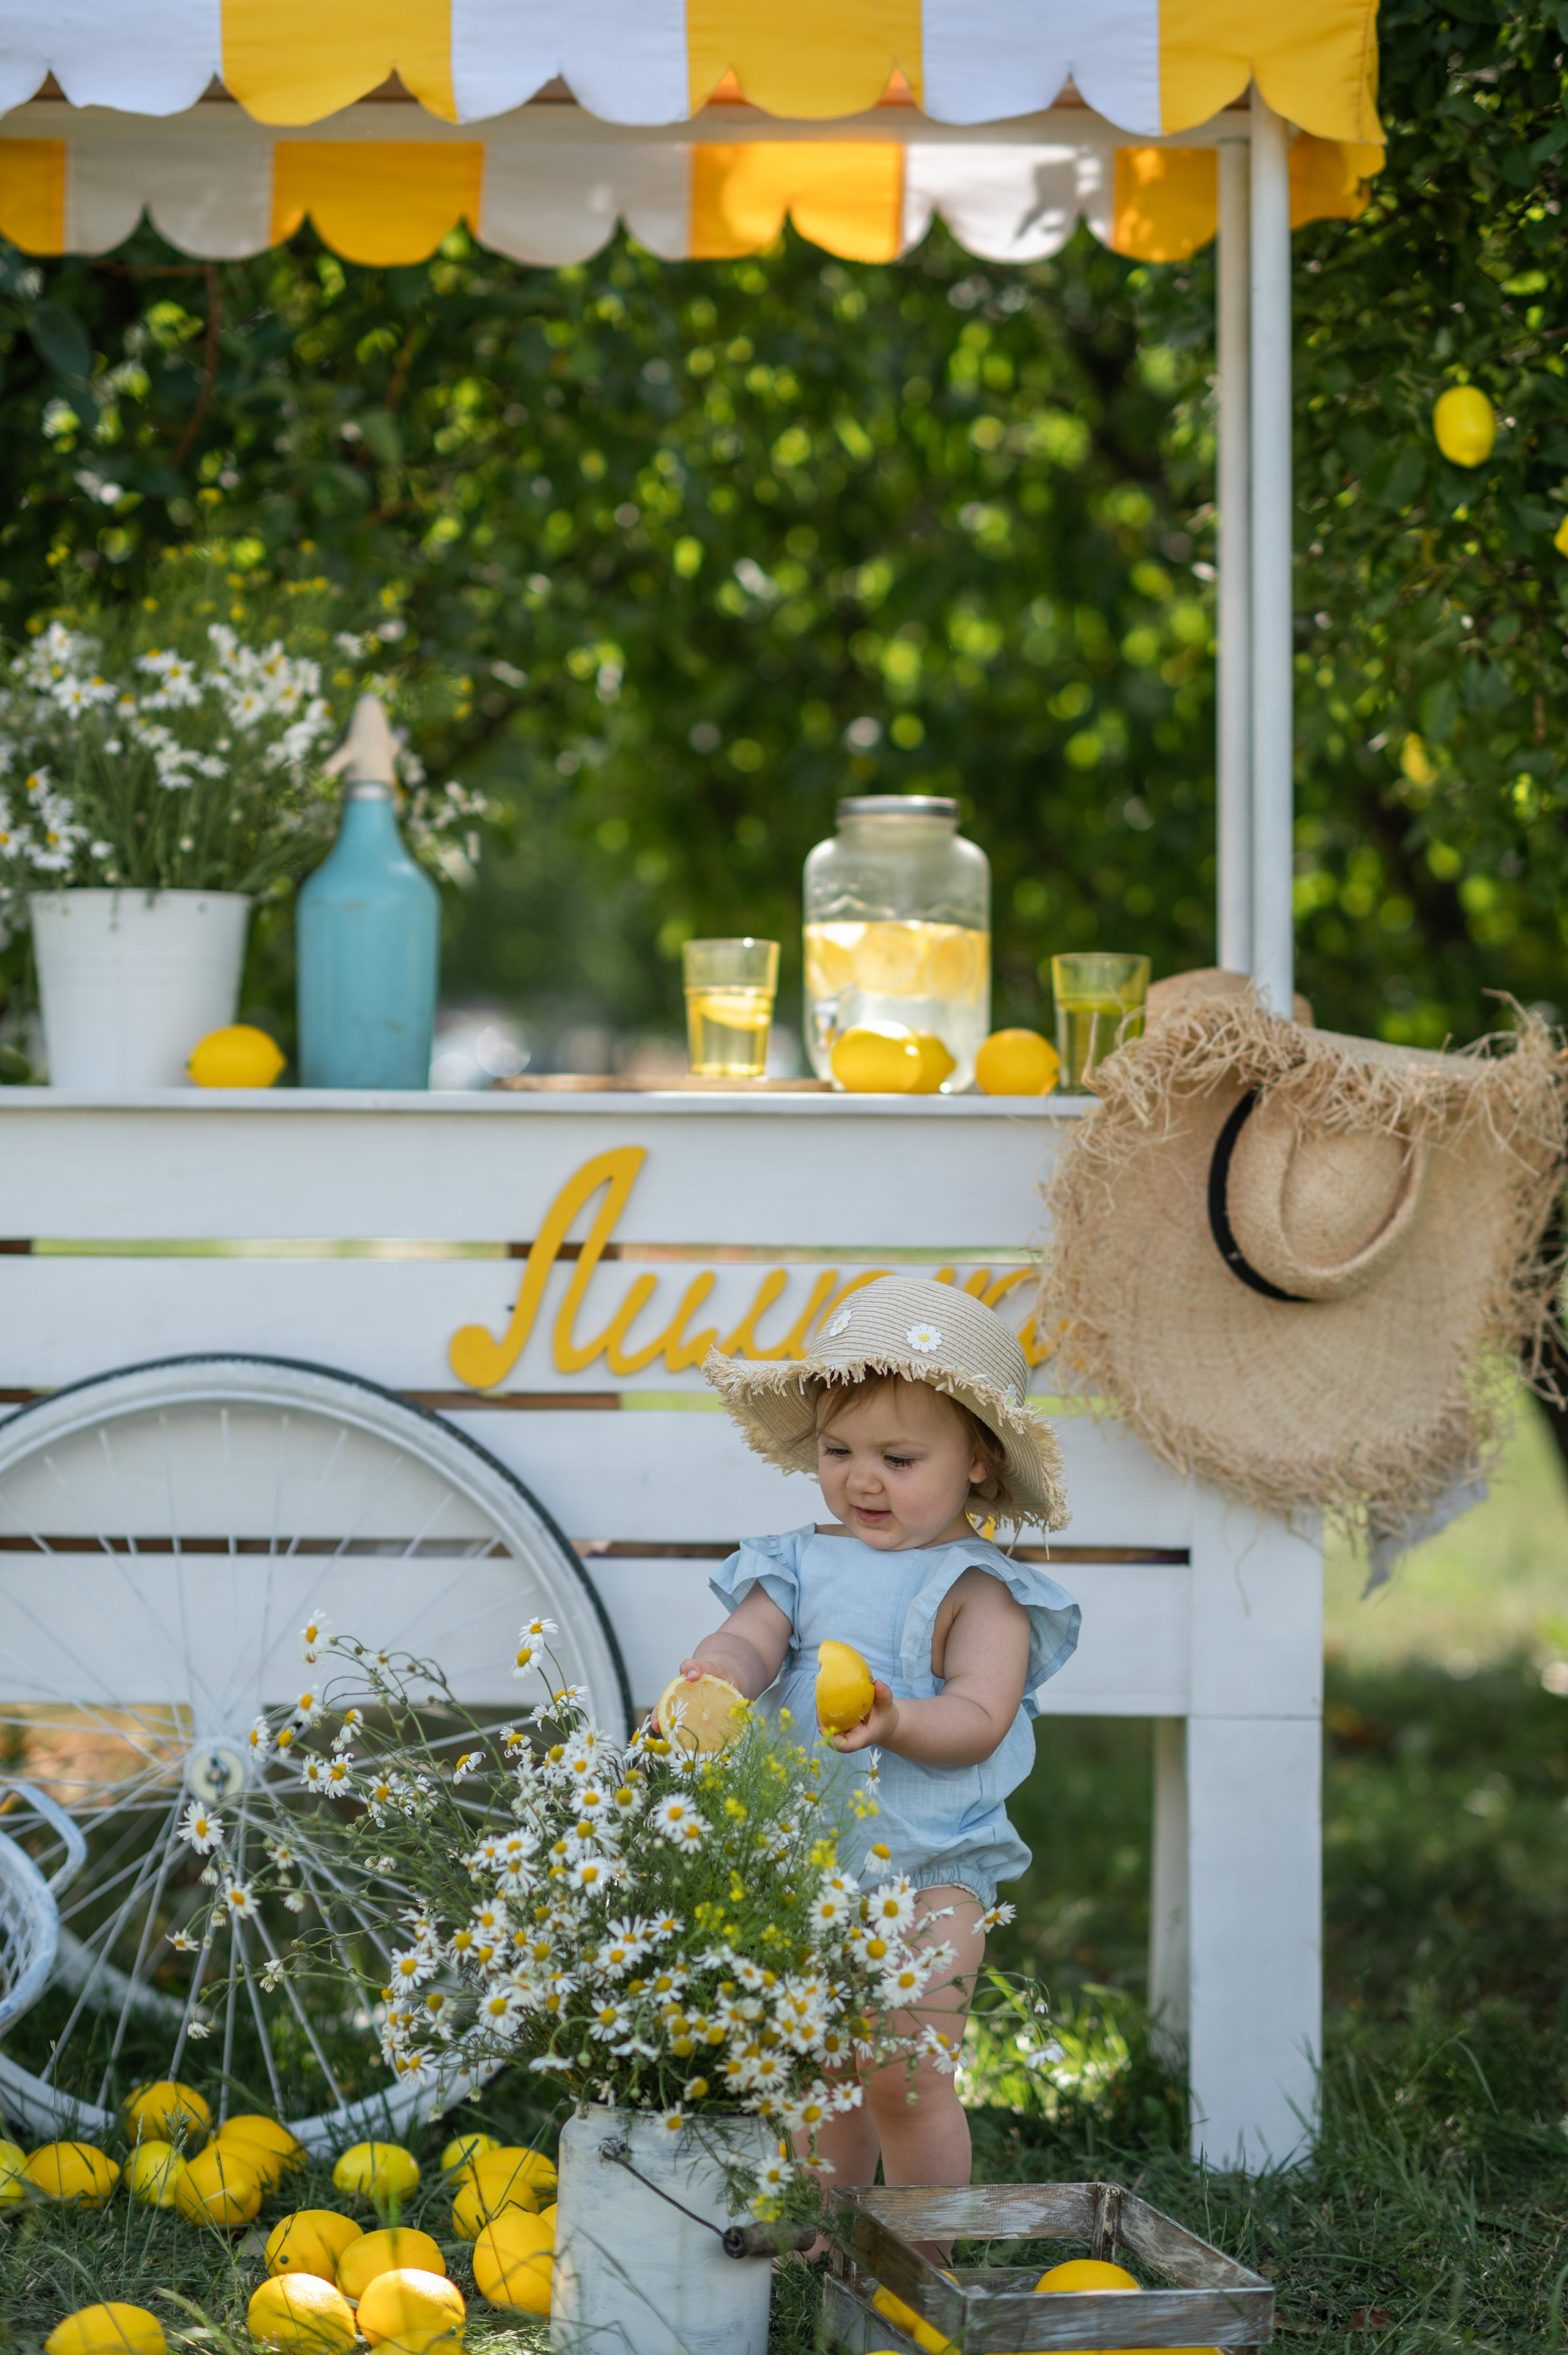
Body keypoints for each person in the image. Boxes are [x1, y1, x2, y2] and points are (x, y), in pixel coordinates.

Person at [666, 1274, 1079, 2208]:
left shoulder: (984, 1591)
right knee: (818, 2067)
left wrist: (895, 1720)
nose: (860, 1478)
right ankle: (823, 2235)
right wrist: (715, 1677)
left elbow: (979, 1717)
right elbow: (751, 1641)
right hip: (807, 1861)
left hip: (935, 1870)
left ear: (978, 1460)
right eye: (839, 1449)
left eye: (898, 1457)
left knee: (905, 2072)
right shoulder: (800, 1563)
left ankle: (923, 2247)